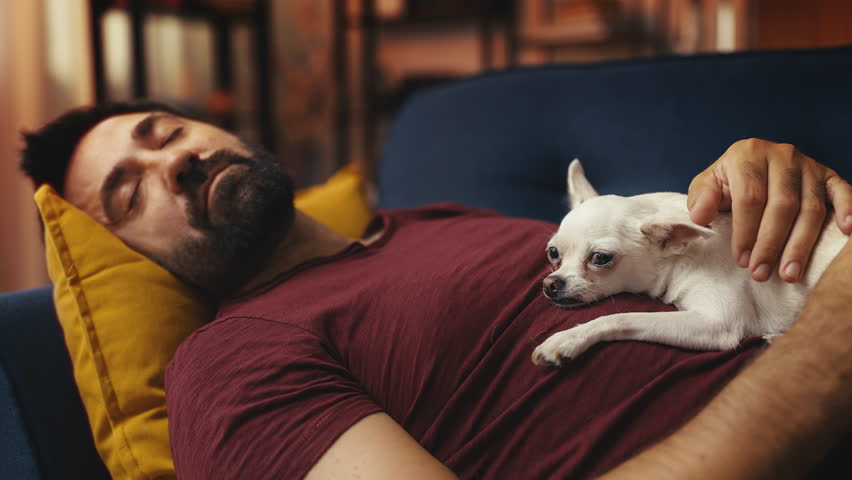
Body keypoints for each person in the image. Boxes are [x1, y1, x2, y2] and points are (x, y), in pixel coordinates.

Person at [19, 100, 852, 479]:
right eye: (131, 193)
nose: (175, 162)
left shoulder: (427, 224)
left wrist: (765, 198)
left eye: (167, 132)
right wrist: (831, 346)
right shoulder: (230, 367)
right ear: (128, 259)